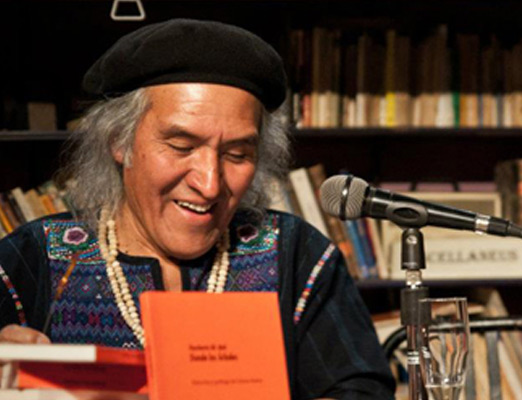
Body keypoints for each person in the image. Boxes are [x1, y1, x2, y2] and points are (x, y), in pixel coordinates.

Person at [0, 19, 394, 399]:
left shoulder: (296, 253)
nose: (210, 184)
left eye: (237, 154)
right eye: (181, 147)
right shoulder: (34, 257)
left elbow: (362, 390)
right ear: (119, 141)